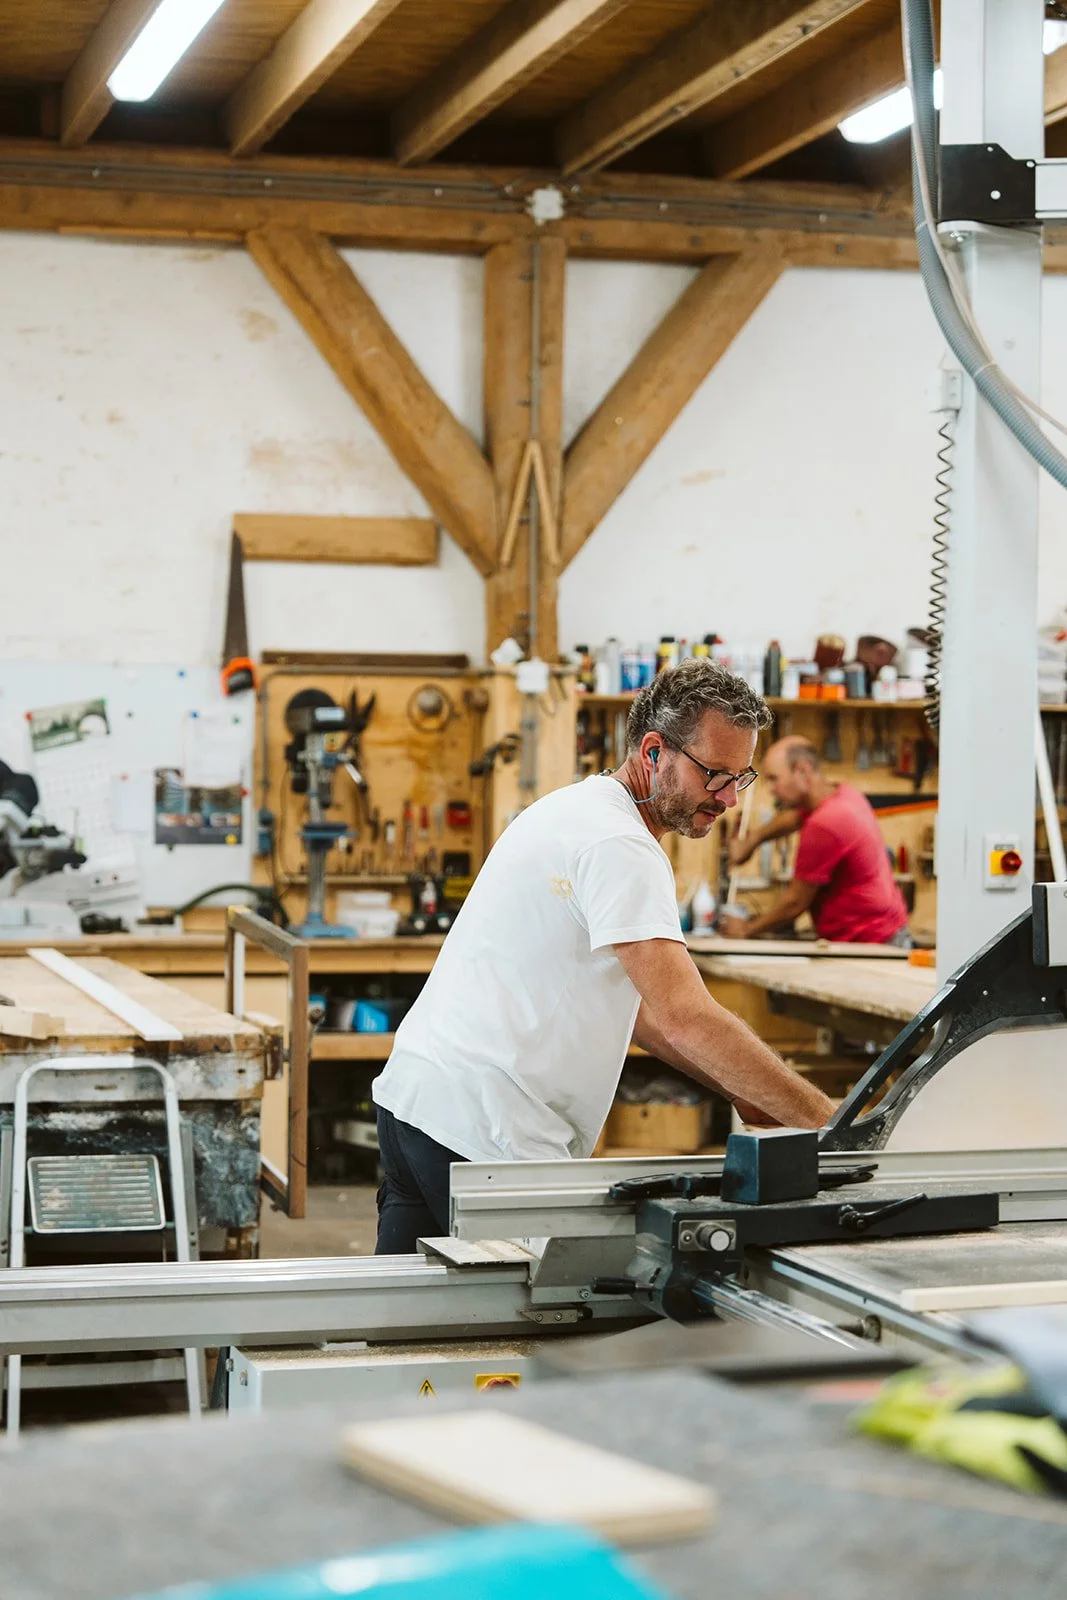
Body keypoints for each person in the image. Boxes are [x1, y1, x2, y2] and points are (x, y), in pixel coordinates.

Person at [371, 662, 836, 1253]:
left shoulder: (572, 809)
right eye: (714, 776)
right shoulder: (621, 845)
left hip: (419, 1103)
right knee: (544, 1321)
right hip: (488, 1132)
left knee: (404, 1324)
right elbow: (683, 1016)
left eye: (740, 779)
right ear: (653, 752)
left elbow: (638, 1011)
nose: (726, 799)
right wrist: (825, 1124)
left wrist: (740, 1086)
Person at [719, 735, 910, 946]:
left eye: (774, 779)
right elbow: (793, 818)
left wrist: (746, 929)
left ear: (802, 771)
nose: (770, 788)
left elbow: (795, 903)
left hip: (872, 944)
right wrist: (753, 840)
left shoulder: (824, 824)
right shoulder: (844, 794)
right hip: (887, 934)